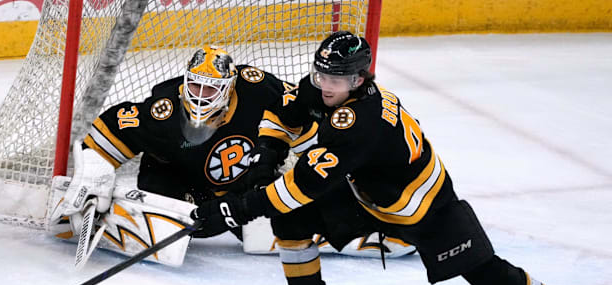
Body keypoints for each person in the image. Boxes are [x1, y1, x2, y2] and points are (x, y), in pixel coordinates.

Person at [190, 31, 605, 285]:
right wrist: (267, 152)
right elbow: (285, 112)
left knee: (494, 279)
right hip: (366, 196)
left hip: (425, 209)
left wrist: (234, 209)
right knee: (290, 220)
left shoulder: (361, 122)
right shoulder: (326, 89)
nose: (324, 85)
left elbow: (302, 186)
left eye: (334, 79)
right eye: (320, 75)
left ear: (359, 79)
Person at [50, 45, 411, 266]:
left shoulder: (256, 88)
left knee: (260, 235)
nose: (201, 95)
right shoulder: (162, 109)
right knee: (166, 234)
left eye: (212, 88)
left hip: (242, 189)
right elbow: (107, 131)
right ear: (183, 82)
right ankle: (106, 215)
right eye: (194, 85)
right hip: (177, 180)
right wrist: (95, 175)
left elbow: (301, 113)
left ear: (230, 85)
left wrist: (319, 164)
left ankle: (368, 232)